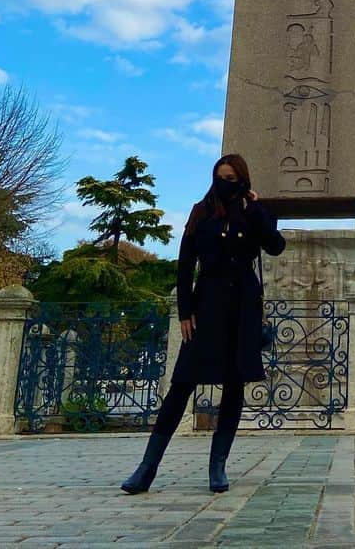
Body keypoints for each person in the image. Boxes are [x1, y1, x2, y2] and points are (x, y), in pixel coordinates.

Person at [121, 153, 286, 494]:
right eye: (220, 177)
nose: (225, 184)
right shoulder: (201, 213)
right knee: (181, 385)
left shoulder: (253, 213)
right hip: (208, 304)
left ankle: (218, 467)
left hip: (242, 306)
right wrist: (185, 311)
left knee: (234, 386)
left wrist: (257, 210)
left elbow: (275, 246)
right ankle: (147, 467)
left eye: (231, 179)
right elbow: (185, 266)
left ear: (242, 180)